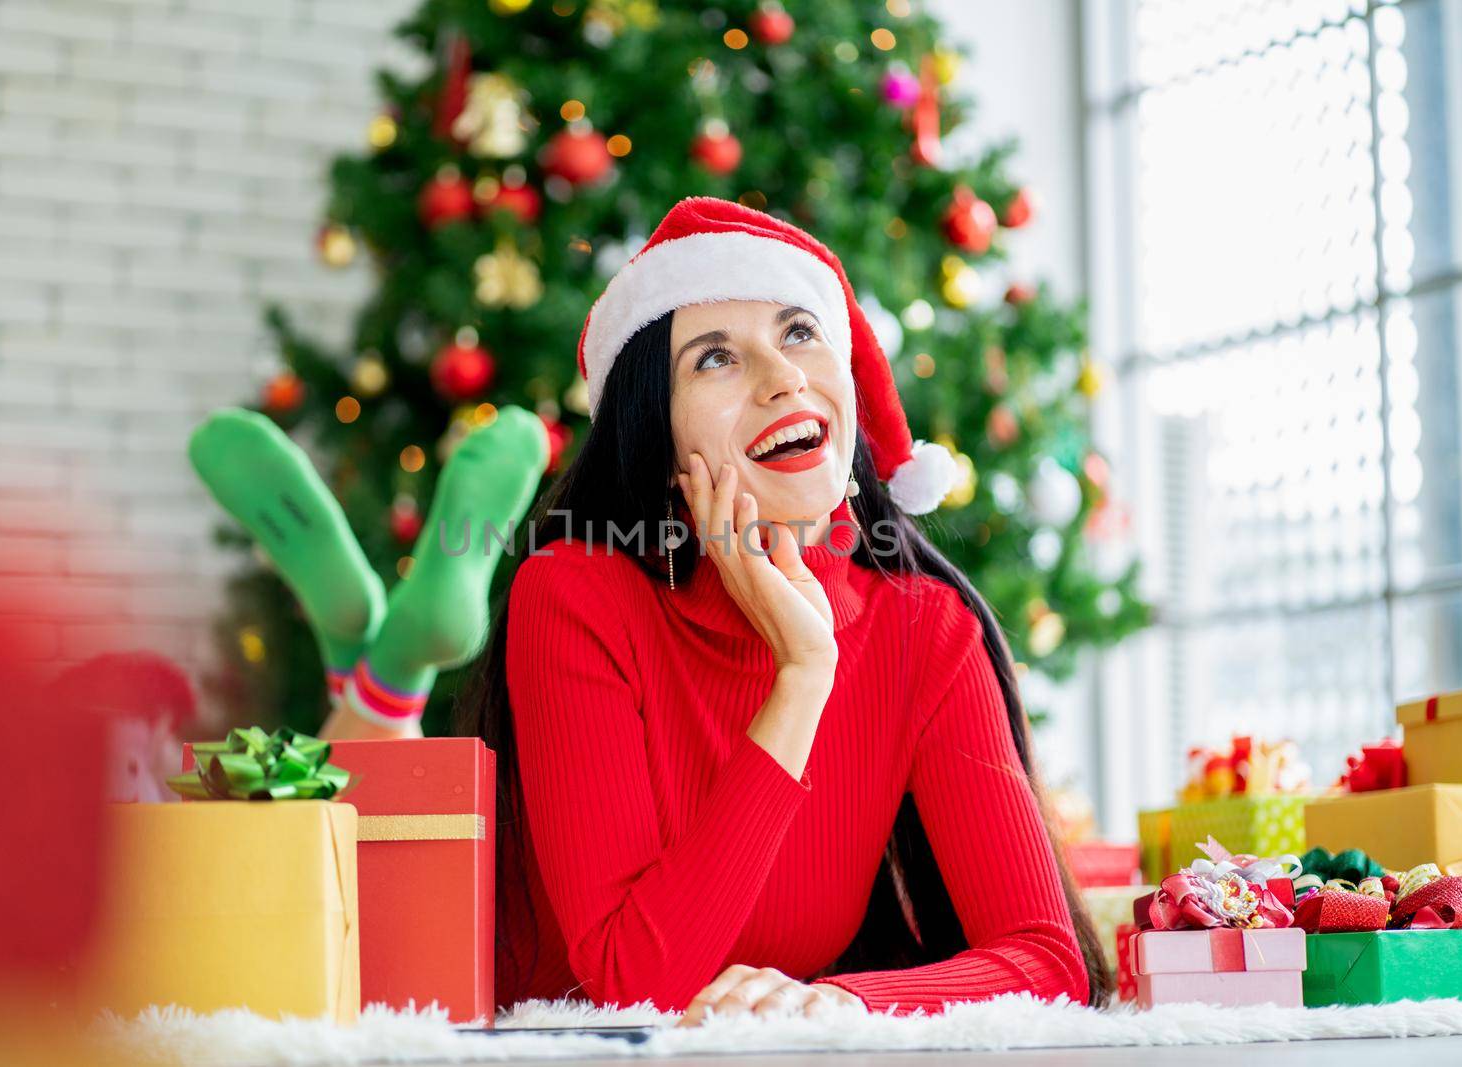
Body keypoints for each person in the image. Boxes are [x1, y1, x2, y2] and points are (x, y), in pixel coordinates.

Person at [454, 196, 1111, 1024]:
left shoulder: (927, 631)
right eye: (716, 359)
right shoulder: (577, 596)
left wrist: (837, 1003)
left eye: (800, 332)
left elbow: (1048, 960)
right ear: (659, 447)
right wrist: (802, 678)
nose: (783, 376)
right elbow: (629, 986)